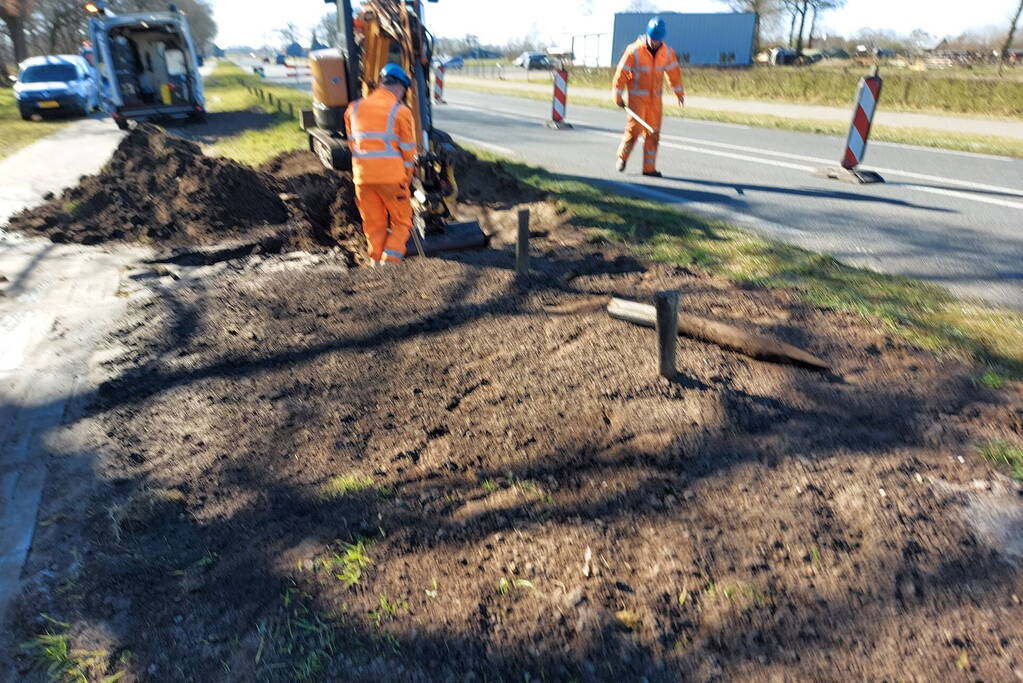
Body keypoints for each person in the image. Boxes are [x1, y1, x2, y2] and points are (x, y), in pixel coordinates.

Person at [345, 63, 418, 264]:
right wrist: (407, 179)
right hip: (392, 178)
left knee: (373, 224)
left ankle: (376, 263)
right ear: (400, 87)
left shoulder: (354, 108)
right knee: (402, 222)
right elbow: (408, 151)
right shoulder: (400, 111)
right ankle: (389, 264)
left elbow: (352, 144)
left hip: (362, 178)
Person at [612, 17, 685, 177]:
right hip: (637, 100)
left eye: (658, 39)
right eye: (652, 39)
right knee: (633, 132)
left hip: (655, 101)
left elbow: (674, 74)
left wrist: (679, 93)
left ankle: (649, 168)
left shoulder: (667, 53)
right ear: (647, 35)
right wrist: (617, 94)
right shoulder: (634, 50)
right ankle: (622, 158)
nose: (654, 42)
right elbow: (621, 73)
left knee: (654, 134)